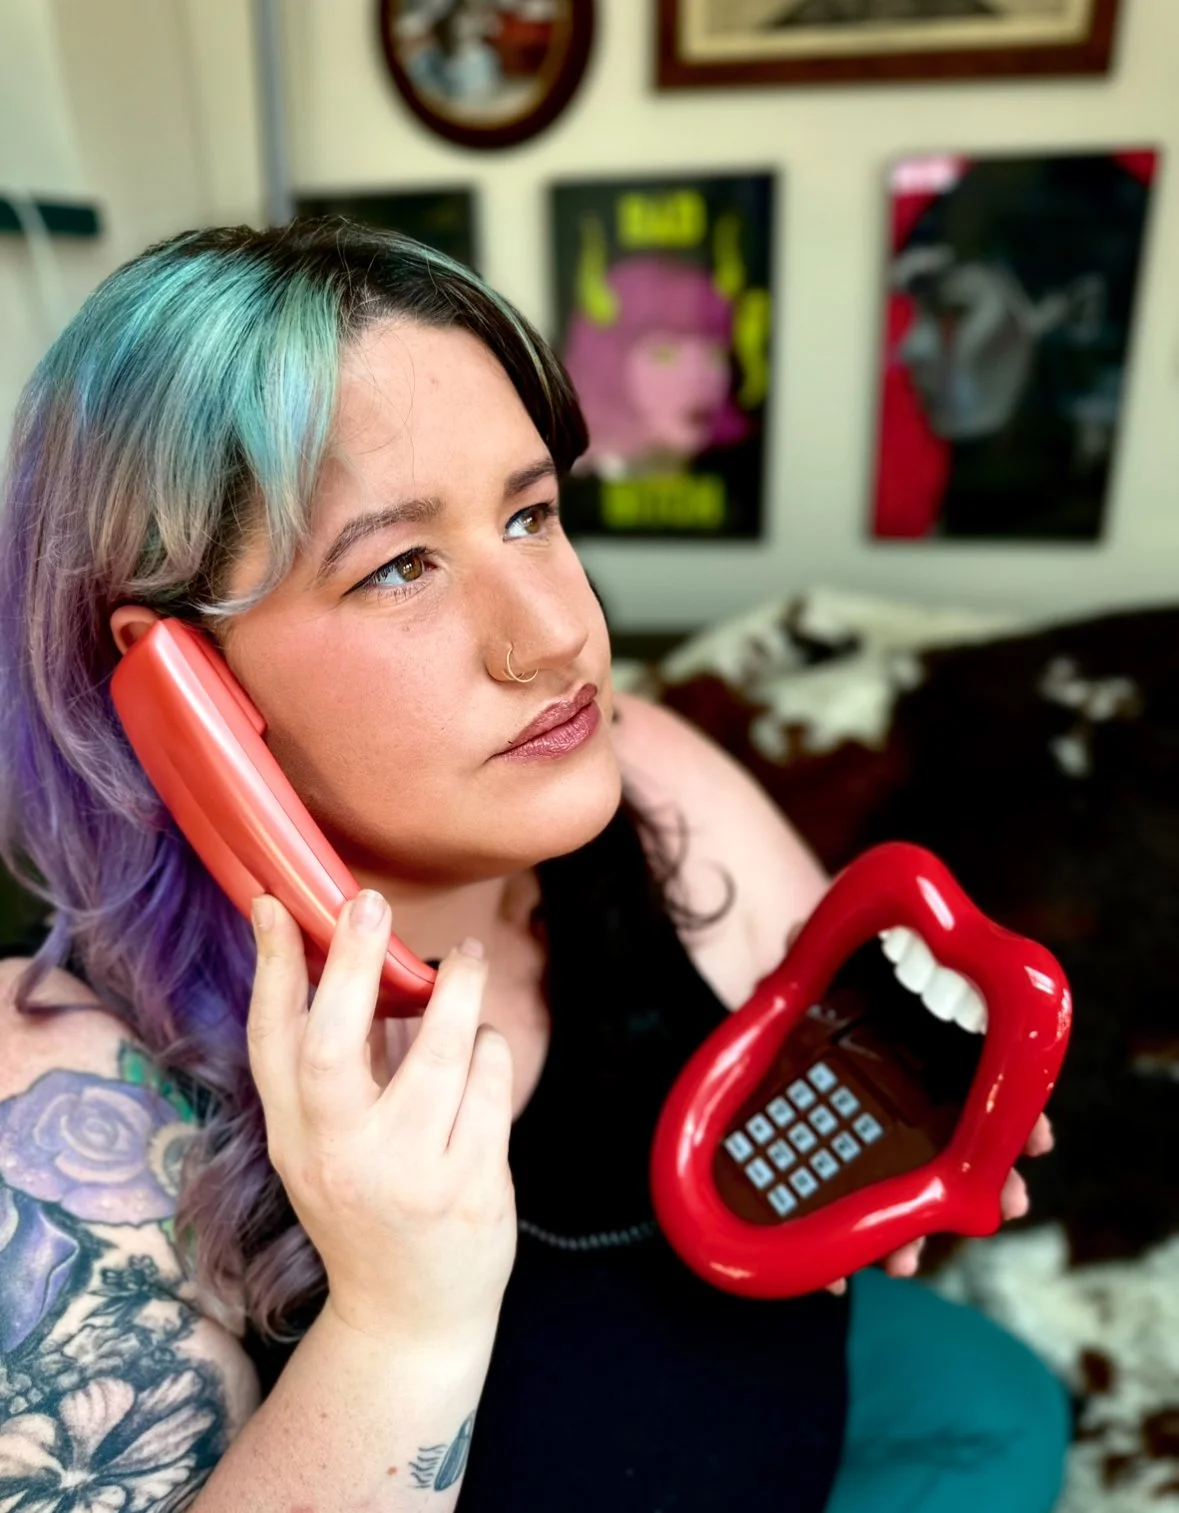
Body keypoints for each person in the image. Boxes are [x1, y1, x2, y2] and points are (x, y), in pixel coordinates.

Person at [0, 219, 1069, 1512]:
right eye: (400, 567)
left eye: (531, 513)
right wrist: (397, 1327)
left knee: (999, 1407)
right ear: (180, 686)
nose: (559, 634)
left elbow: (852, 1083)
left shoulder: (649, 773)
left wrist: (914, 1128)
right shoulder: (60, 1110)